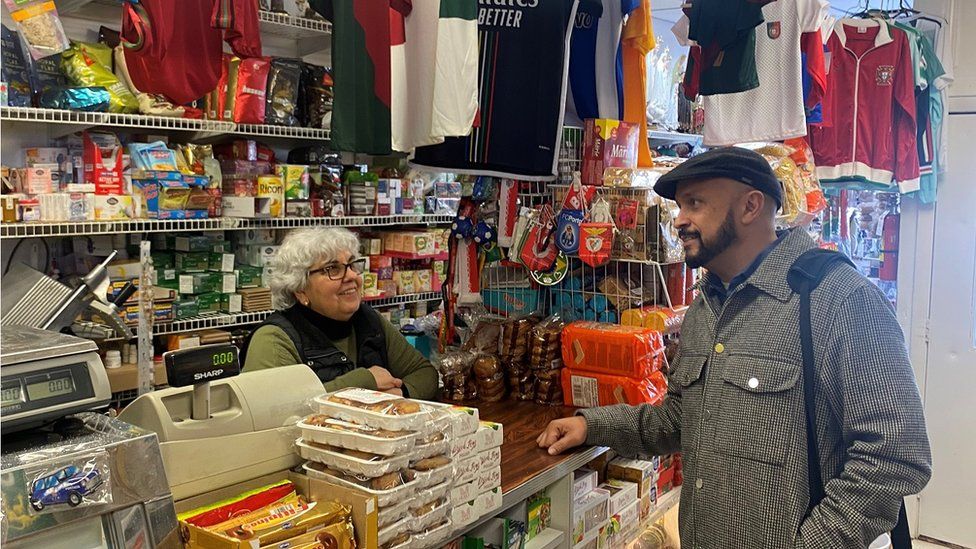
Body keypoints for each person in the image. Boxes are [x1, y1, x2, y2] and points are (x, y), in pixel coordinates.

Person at [537, 147, 931, 549]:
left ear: (750, 207)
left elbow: (896, 454)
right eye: (678, 206)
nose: (679, 221)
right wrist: (593, 425)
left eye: (695, 203)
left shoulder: (838, 300)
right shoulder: (704, 308)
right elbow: (678, 419)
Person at [243, 227, 438, 399]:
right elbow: (271, 411)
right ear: (300, 289)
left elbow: (424, 372)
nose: (352, 276)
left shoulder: (368, 321)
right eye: (333, 269)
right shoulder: (274, 340)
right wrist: (361, 382)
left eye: (352, 265)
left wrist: (399, 394)